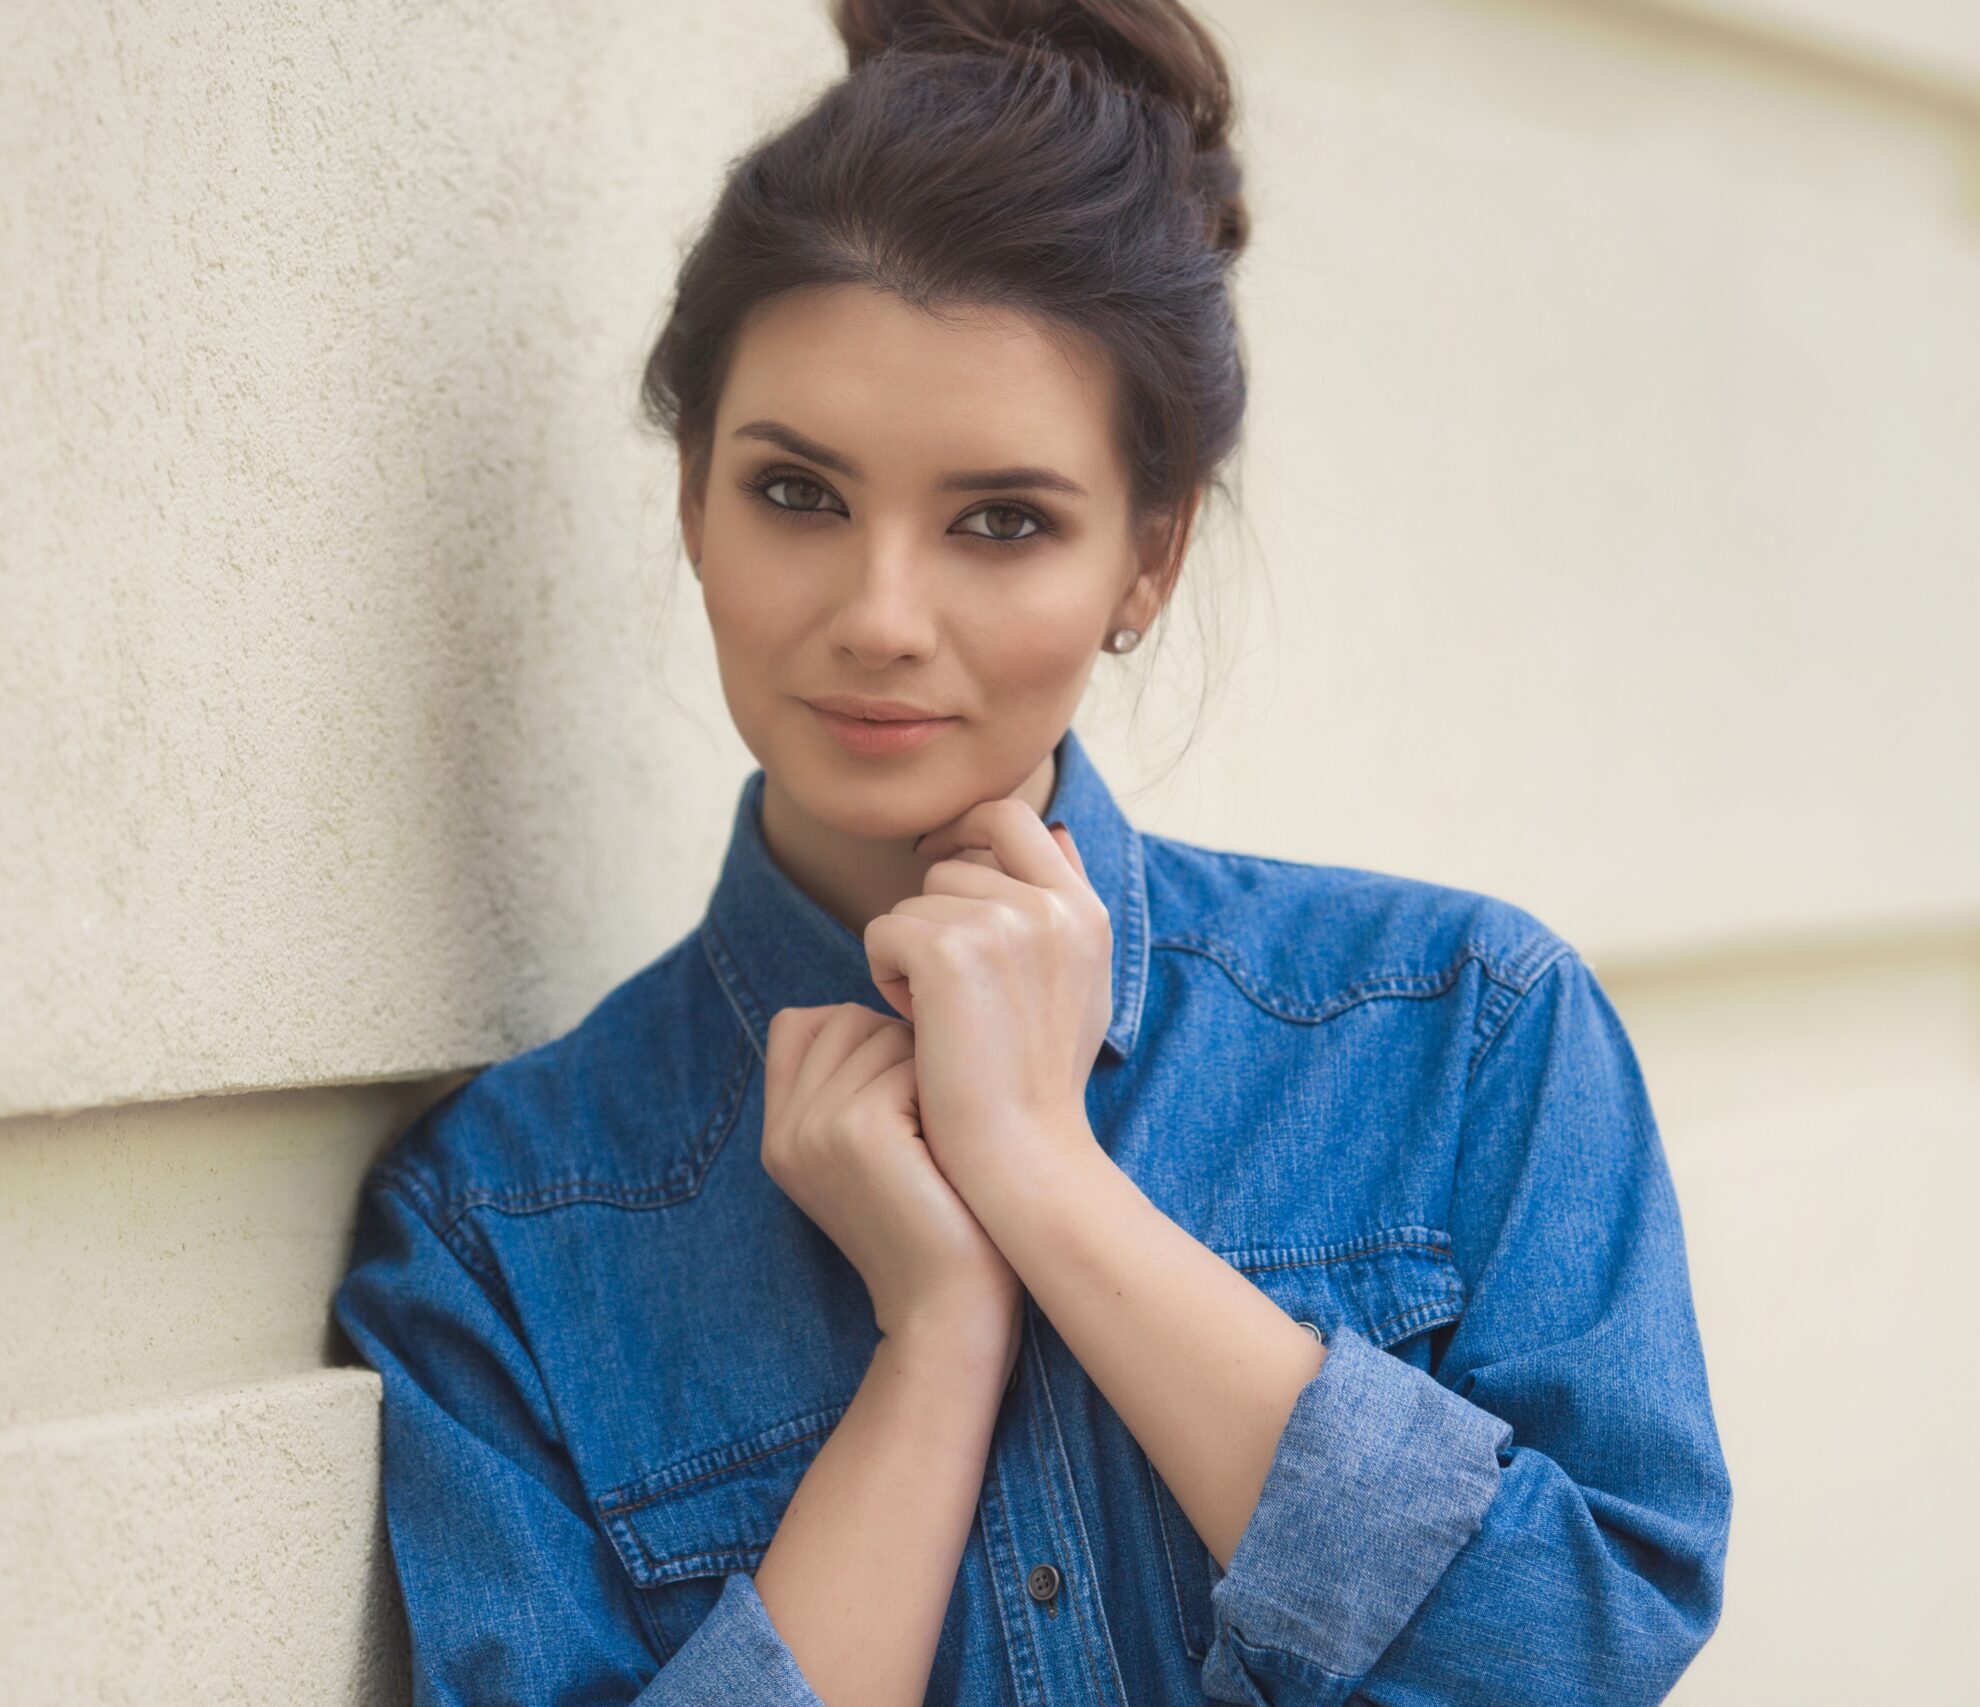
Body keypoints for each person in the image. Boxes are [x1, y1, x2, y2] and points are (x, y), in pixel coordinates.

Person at [330, 2, 1732, 1702]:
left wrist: (1046, 1179)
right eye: (798, 495)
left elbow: (1573, 1661)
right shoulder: (504, 1225)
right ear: (691, 494)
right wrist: (935, 1344)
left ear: (1148, 558)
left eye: (1003, 522)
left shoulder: (1465, 1033)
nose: (881, 619)